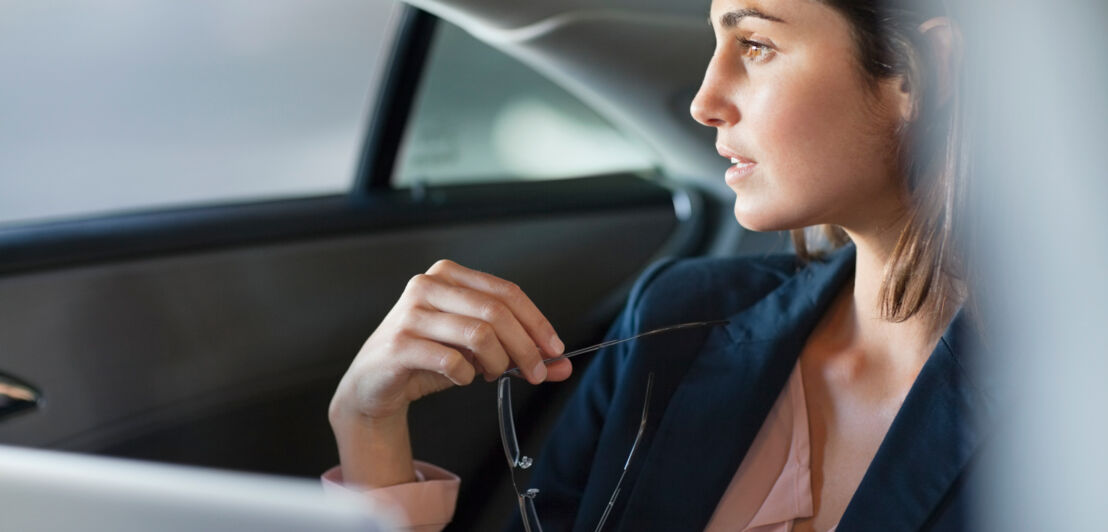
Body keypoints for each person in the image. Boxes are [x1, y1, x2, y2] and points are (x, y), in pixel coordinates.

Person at [326, 0, 981, 530]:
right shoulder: (677, 316)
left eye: (755, 45)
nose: (703, 100)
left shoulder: (1076, 407)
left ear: (917, 73)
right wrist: (368, 429)